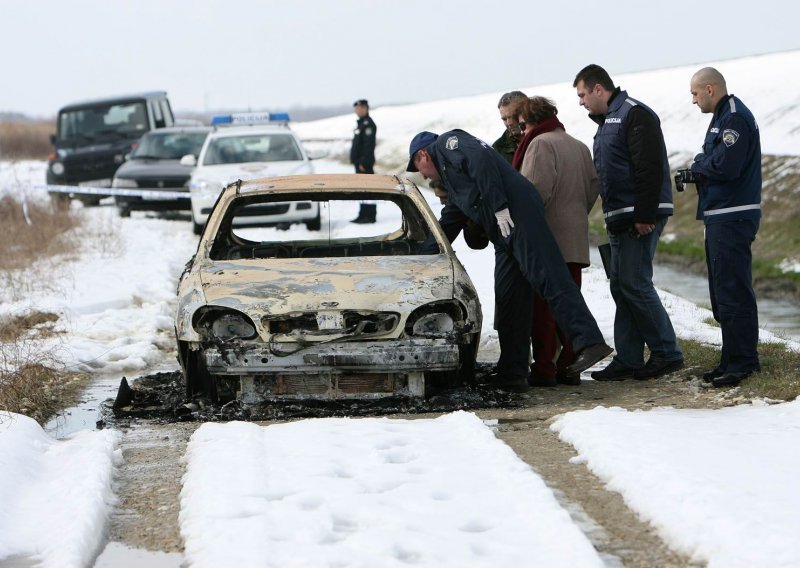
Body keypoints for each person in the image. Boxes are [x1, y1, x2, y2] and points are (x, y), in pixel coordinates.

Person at [407, 130, 613, 393]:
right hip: (503, 234)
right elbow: (448, 222)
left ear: (423, 153)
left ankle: (589, 342)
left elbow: (481, 159)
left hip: (517, 213)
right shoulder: (454, 182)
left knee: (549, 277)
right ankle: (512, 373)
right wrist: (419, 255)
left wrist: (499, 206)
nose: (422, 174)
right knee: (509, 299)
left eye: (418, 167)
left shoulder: (449, 143)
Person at [573, 64, 683, 381]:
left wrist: (645, 214)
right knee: (621, 286)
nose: (581, 102)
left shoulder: (634, 114)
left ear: (597, 89)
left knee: (635, 283)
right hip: (620, 217)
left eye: (582, 94)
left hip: (639, 216)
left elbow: (647, 166)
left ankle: (667, 352)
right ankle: (629, 357)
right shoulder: (607, 121)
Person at [509, 96, 599, 386]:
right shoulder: (579, 146)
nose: (520, 131)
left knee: (546, 308)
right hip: (575, 237)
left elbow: (535, 192)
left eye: (521, 124)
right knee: (571, 303)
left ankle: (545, 368)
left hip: (548, 239)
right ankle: (570, 364)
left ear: (530, 120)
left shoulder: (540, 144)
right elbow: (592, 189)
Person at [688, 67, 761, 388]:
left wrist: (697, 166)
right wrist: (703, 163)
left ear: (709, 88)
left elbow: (725, 165)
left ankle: (743, 361)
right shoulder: (722, 116)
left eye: (694, 94)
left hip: (733, 214)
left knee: (732, 289)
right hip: (721, 214)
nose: (692, 101)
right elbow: (712, 157)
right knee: (722, 291)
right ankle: (731, 358)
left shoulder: (733, 118)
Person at [350, 99, 377, 223]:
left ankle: (369, 215)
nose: (358, 110)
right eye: (356, 108)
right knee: (361, 190)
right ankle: (362, 213)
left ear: (366, 108)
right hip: (359, 162)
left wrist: (363, 162)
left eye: (361, 108)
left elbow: (368, 145)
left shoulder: (368, 124)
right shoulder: (361, 124)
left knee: (368, 189)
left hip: (364, 163)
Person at [492, 91, 527, 163]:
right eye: (504, 119)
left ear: (527, 111)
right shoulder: (497, 148)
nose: (509, 123)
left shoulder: (544, 137)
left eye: (513, 116)